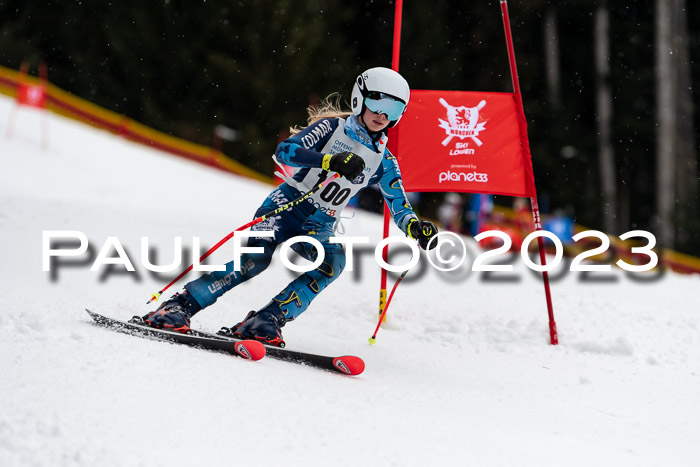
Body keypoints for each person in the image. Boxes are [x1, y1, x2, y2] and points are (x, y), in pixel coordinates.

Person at [142, 67, 438, 347]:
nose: (383, 115)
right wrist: (328, 160)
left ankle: (266, 319)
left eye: (395, 109)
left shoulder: (384, 160)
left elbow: (399, 205)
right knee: (255, 261)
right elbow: (285, 151)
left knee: (332, 263)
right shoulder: (332, 128)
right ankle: (179, 306)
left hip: (320, 223)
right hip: (286, 205)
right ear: (360, 97)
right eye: (378, 103)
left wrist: (416, 227)